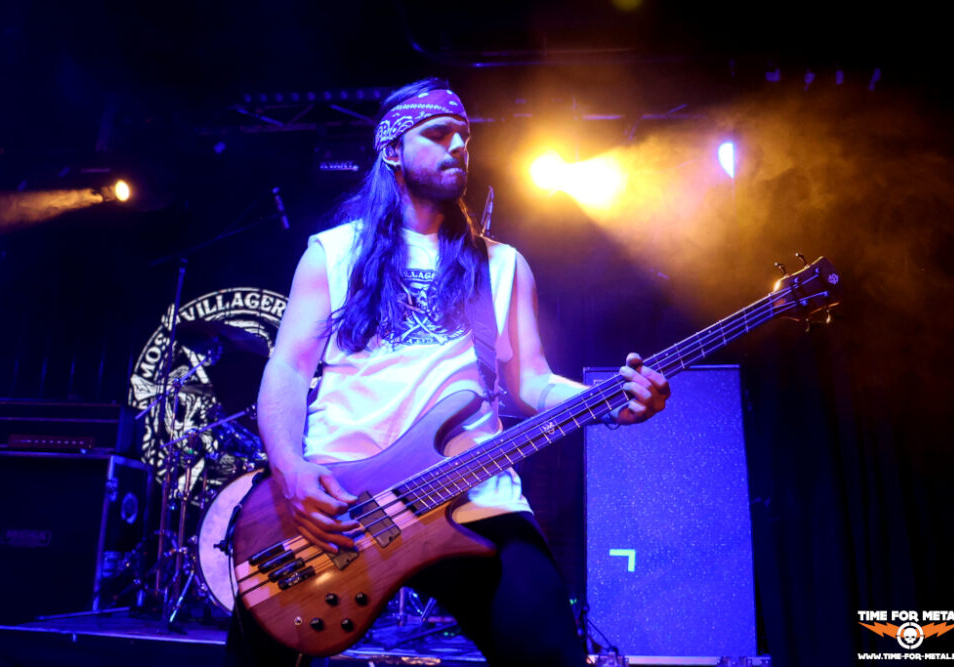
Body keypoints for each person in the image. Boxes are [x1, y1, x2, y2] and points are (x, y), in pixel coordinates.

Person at [225, 77, 670, 666]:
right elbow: (287, 367)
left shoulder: (503, 265)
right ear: (392, 149)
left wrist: (610, 401)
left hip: (475, 498)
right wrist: (289, 467)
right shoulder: (332, 253)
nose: (458, 145)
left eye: (464, 136)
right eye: (437, 134)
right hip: (342, 505)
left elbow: (532, 382)